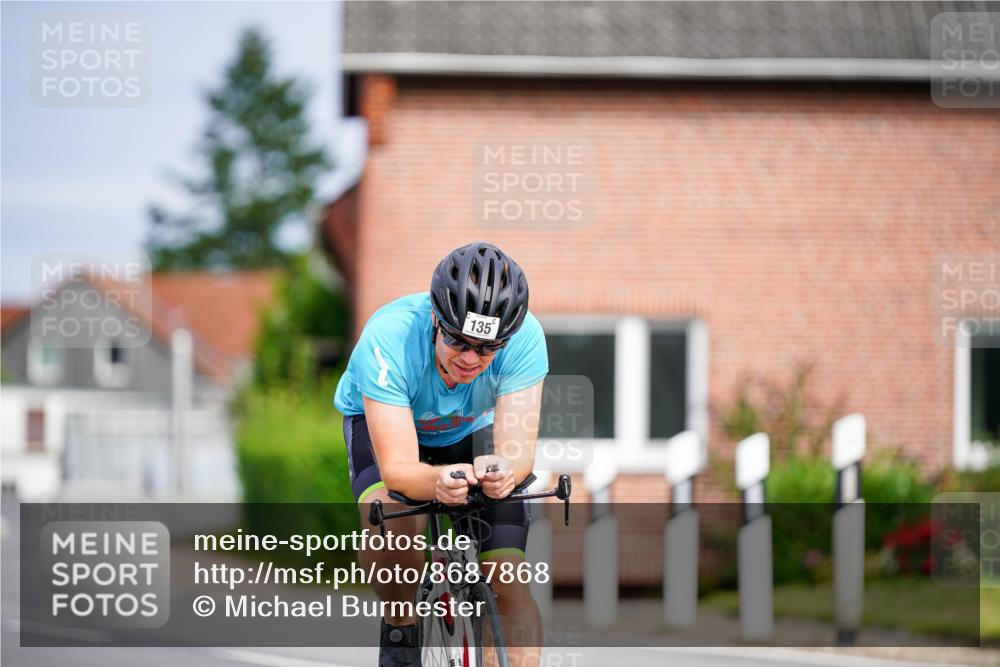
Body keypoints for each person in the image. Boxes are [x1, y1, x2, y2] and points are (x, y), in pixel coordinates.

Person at [334, 241, 547, 666]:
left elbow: (518, 454)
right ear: (436, 318)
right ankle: (401, 626)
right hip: (392, 426)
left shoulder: (526, 340)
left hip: (473, 428)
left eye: (487, 349)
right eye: (457, 341)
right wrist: (436, 482)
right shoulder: (389, 337)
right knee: (393, 527)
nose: (470, 359)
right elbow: (396, 469)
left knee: (508, 577)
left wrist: (502, 471)